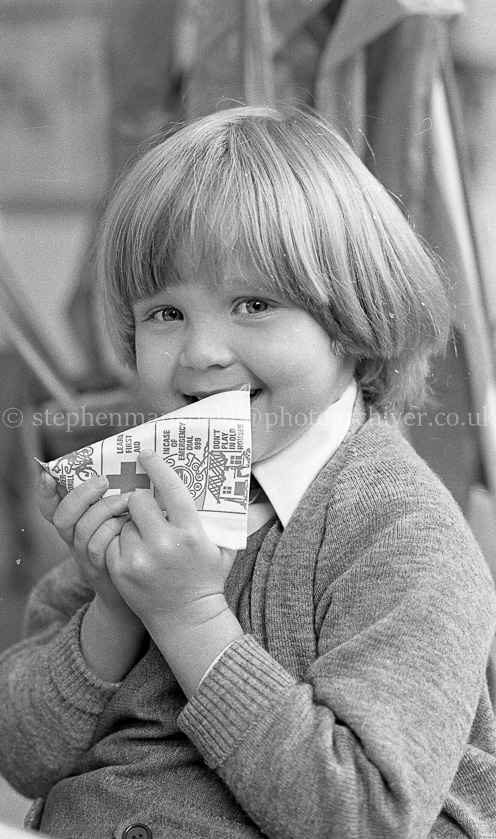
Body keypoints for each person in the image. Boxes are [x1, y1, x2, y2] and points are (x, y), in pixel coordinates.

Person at [0, 106, 495, 839]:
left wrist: (188, 617)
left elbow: (365, 815)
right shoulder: (152, 482)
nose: (201, 352)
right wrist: (113, 609)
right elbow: (22, 756)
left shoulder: (404, 535)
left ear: (353, 325)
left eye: (254, 304)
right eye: (165, 313)